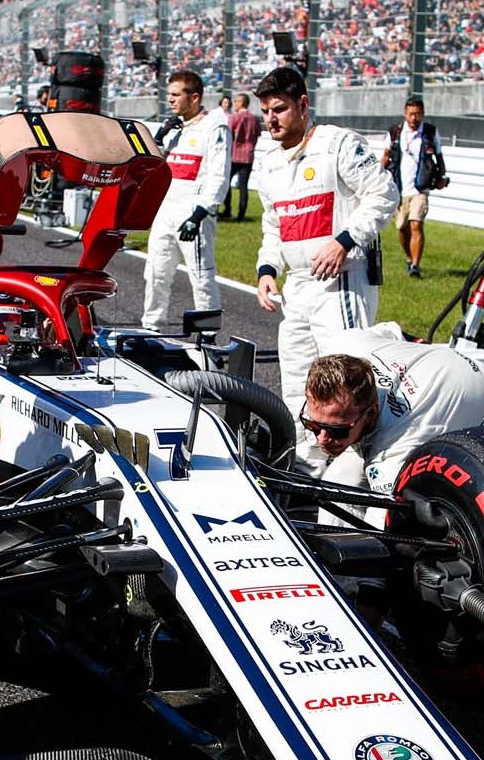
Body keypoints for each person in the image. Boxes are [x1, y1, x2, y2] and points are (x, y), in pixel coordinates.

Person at [251, 66, 397, 470]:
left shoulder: (338, 144)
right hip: (297, 287)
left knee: (345, 388)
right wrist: (267, 270)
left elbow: (385, 194)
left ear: (302, 105)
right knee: (298, 382)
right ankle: (305, 472)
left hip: (341, 283)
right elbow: (273, 224)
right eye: (265, 111)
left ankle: (353, 478)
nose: (271, 119)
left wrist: (344, 240)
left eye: (279, 109)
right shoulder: (270, 163)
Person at [302, 325, 484, 508]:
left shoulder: (397, 443)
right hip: (435, 367)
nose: (322, 438)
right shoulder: (345, 342)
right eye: (312, 424)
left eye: (336, 430)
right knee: (336, 482)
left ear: (371, 413)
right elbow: (391, 329)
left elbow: (384, 522)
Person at [141, 70, 230, 331]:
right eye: (168, 94)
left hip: (194, 213)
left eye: (176, 95)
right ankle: (151, 327)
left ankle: (208, 335)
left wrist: (201, 213)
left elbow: (219, 174)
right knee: (155, 273)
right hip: (165, 211)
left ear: (194, 97)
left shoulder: (214, 126)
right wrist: (159, 137)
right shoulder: (174, 128)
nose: (170, 100)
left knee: (201, 277)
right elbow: (153, 168)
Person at [382, 96, 447, 280]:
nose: (414, 118)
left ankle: (416, 266)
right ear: (405, 113)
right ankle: (409, 258)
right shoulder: (394, 133)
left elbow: (439, 157)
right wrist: (378, 174)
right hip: (399, 188)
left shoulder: (430, 133)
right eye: (411, 114)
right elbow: (386, 156)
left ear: (423, 114)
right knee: (402, 227)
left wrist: (442, 177)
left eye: (418, 114)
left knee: (416, 224)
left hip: (420, 188)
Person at [222, 91, 259, 221]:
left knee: (226, 183)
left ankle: (227, 210)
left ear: (242, 102)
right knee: (244, 187)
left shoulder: (234, 117)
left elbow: (229, 134)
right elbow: (257, 134)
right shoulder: (254, 119)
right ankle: (241, 215)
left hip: (234, 155)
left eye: (236, 101)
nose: (234, 104)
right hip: (248, 156)